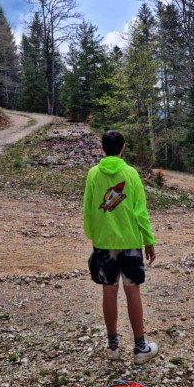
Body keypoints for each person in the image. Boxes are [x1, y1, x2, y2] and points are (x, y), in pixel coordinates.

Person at [83, 130, 159, 364]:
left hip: (104, 242)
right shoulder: (131, 173)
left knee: (109, 290)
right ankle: (139, 347)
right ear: (123, 147)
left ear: (103, 147)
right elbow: (140, 211)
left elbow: (88, 207)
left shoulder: (94, 174)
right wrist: (149, 239)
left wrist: (93, 236)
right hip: (130, 241)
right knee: (132, 289)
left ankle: (113, 346)